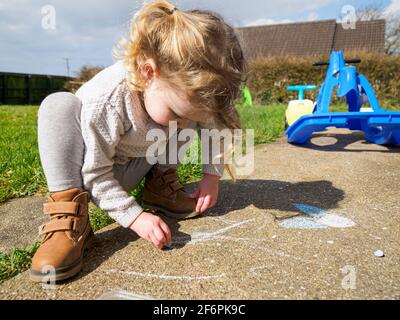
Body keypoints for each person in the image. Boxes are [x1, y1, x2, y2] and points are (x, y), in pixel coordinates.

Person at [30, 0, 247, 282]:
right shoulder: (106, 101)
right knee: (57, 104)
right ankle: (68, 218)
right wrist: (135, 217)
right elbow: (95, 174)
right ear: (148, 73)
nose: (182, 128)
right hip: (89, 175)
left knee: (194, 113)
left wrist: (211, 176)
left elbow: (215, 123)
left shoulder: (180, 90)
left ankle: (160, 185)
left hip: (135, 164)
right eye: (177, 114)